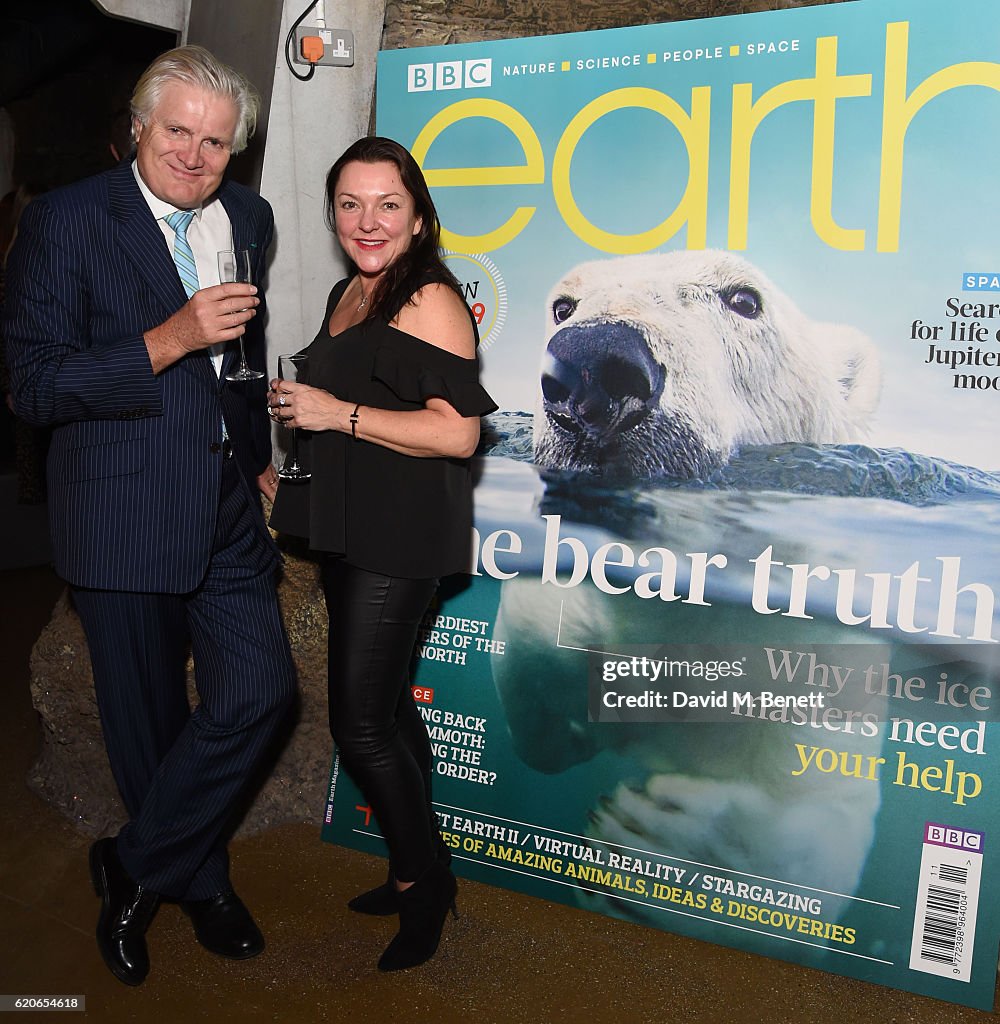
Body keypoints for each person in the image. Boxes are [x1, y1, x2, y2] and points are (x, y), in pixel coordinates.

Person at [3, 46, 295, 987]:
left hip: (224, 506)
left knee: (261, 695)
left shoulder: (250, 216)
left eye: (216, 141)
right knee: (150, 725)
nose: (196, 155)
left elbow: (240, 366)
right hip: (121, 511)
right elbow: (34, 386)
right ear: (138, 127)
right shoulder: (65, 221)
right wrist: (168, 340)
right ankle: (199, 882)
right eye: (178, 131)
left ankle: (132, 863)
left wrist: (256, 459)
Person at [267, 136, 496, 971]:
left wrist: (335, 416)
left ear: (420, 215)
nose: (369, 221)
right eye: (351, 204)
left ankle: (423, 882)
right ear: (332, 214)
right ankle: (415, 867)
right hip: (352, 525)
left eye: (388, 204)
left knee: (360, 723)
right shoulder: (353, 290)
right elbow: (343, 406)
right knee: (391, 708)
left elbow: (457, 431)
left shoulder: (428, 297)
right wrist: (291, 454)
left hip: (400, 534)